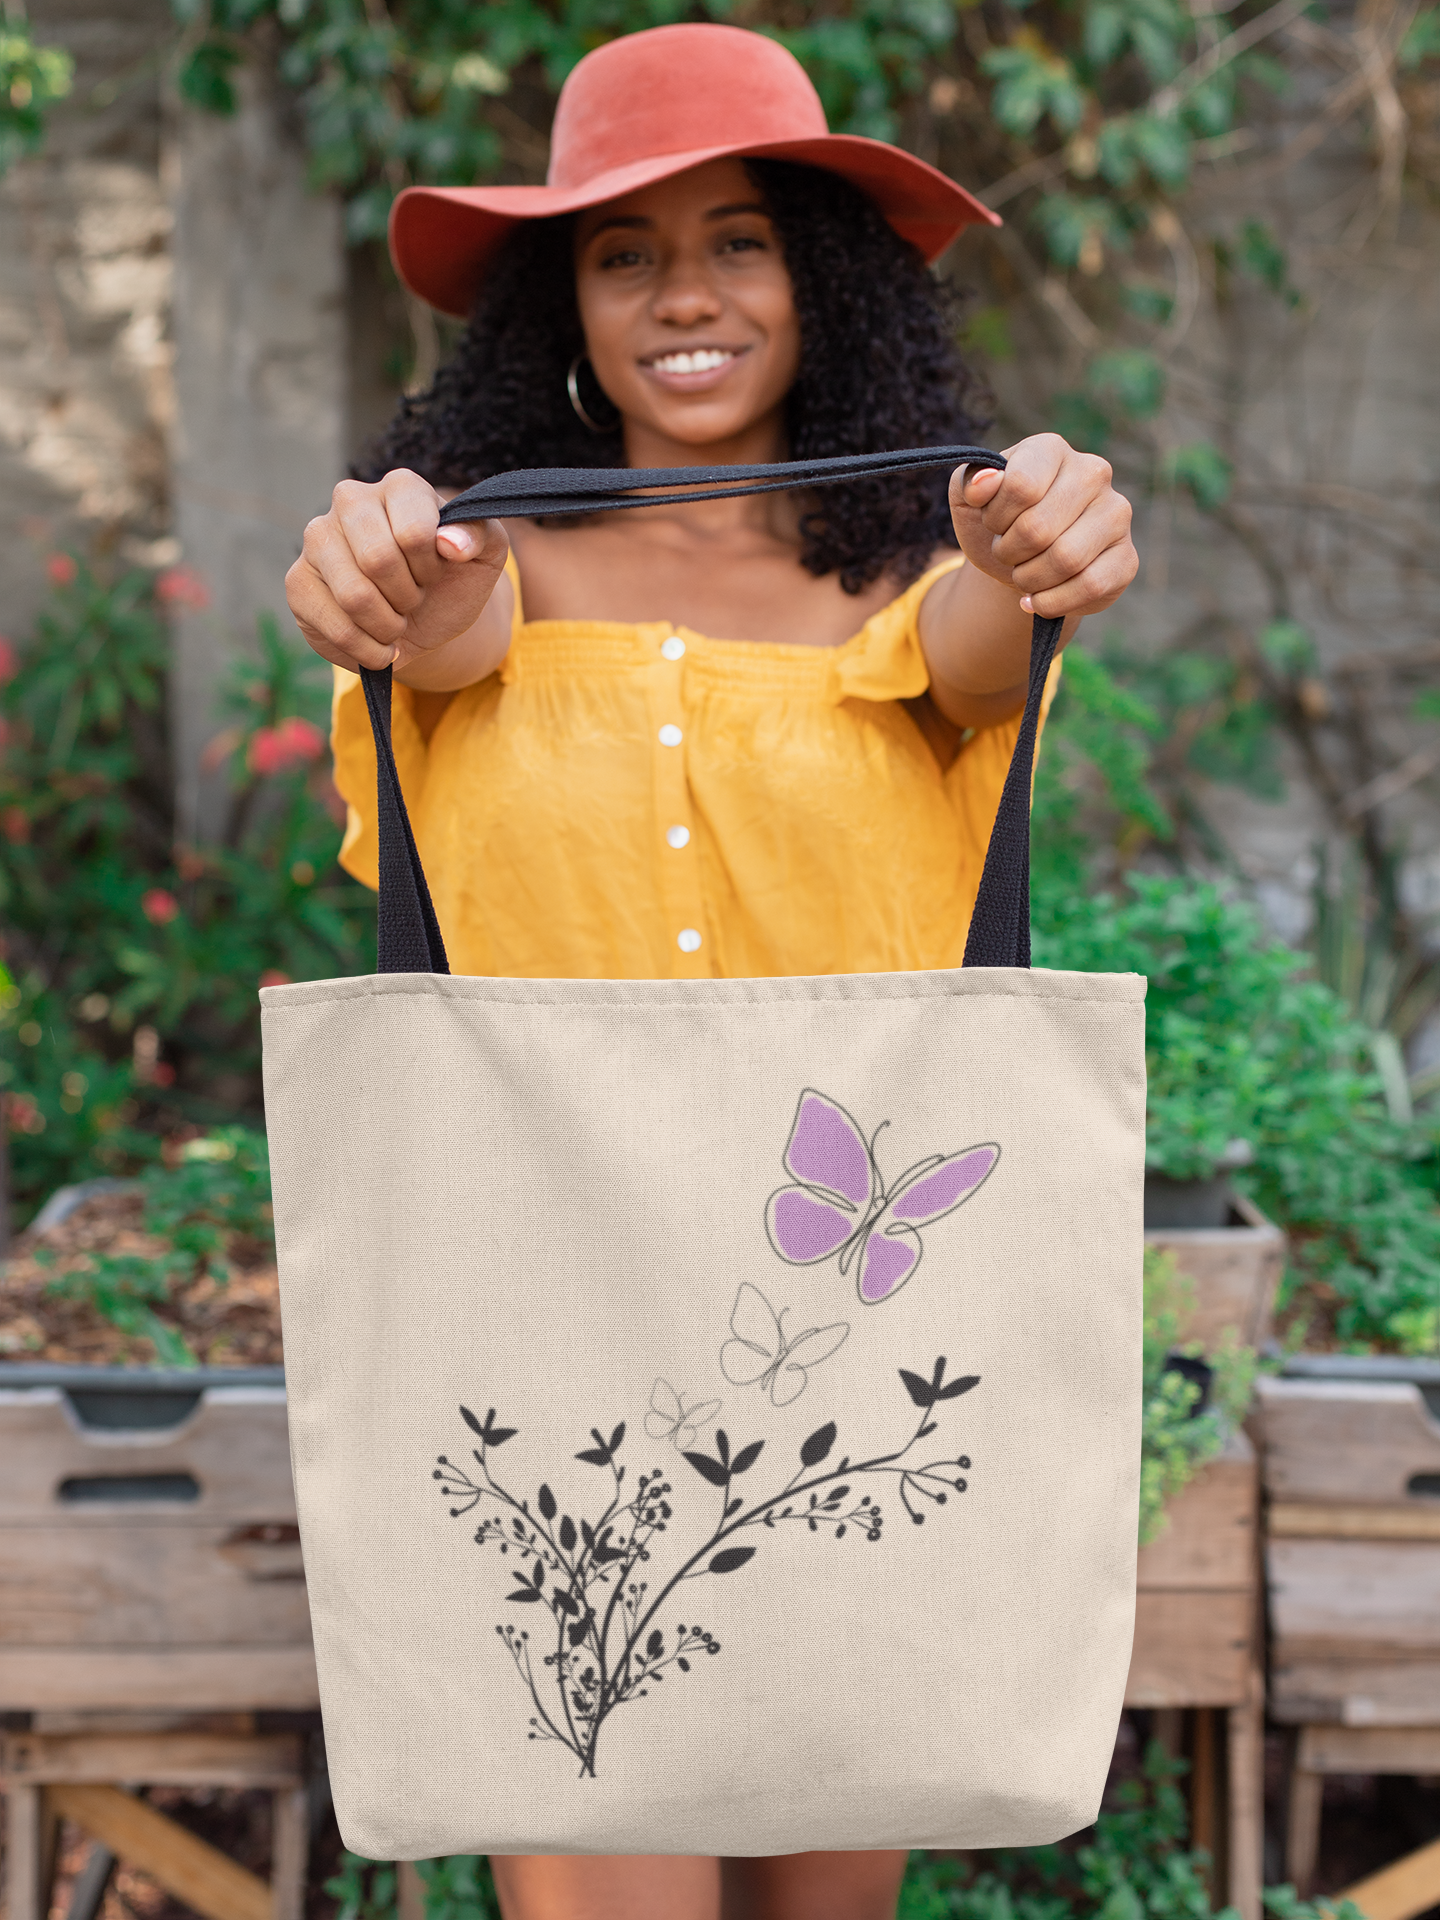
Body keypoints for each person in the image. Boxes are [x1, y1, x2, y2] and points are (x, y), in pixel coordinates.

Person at [285, 22, 1137, 1920]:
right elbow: (432, 633)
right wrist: (377, 569)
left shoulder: (920, 590)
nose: (686, 293)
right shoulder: (486, 569)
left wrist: (1044, 542)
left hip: (843, 1342)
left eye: (740, 239)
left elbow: (995, 638)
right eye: (623, 251)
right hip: (545, 1328)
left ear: (817, 282)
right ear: (559, 307)